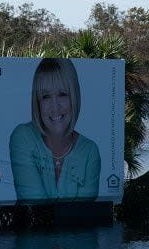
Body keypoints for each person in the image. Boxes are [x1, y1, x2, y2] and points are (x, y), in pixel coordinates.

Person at [9, 58, 101, 202]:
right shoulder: (22, 137)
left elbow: (84, 213)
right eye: (45, 96)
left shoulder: (90, 151)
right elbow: (35, 206)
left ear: (74, 98)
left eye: (62, 94)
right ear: (37, 102)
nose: (54, 106)